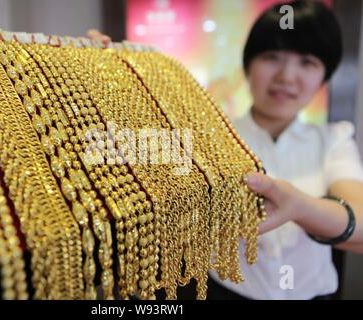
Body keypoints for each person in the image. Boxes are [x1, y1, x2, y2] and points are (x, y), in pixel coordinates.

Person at [87, 0, 363, 300]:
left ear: (325, 76)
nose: (286, 76)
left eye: (307, 62)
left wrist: (299, 207)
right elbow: (117, 151)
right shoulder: (208, 133)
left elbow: (359, 223)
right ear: (248, 65)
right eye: (272, 57)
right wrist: (108, 78)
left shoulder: (334, 140)